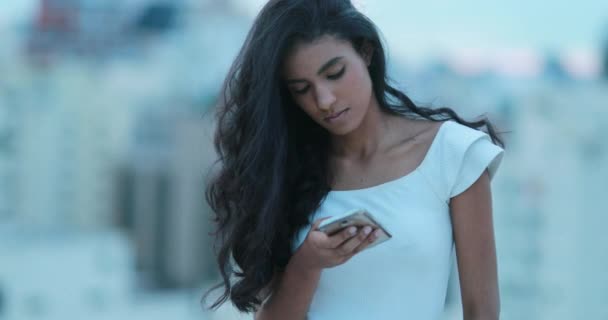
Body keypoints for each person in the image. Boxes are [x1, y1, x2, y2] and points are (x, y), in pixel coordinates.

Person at [203, 1, 505, 319]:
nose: (324, 100)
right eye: (302, 89)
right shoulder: (285, 172)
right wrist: (308, 263)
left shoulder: (454, 153)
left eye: (334, 74)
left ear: (365, 51)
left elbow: (482, 310)